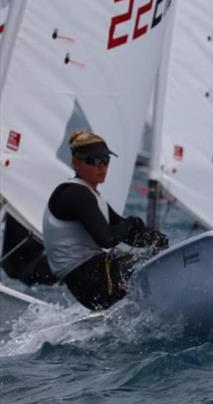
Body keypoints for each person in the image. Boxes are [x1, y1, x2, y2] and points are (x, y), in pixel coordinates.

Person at [42, 130, 168, 311]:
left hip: (91, 280)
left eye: (105, 161)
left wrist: (154, 240)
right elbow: (107, 239)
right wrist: (132, 222)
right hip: (90, 279)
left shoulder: (89, 195)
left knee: (149, 260)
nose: (101, 167)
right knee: (148, 267)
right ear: (76, 163)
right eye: (94, 161)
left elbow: (124, 231)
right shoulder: (75, 195)